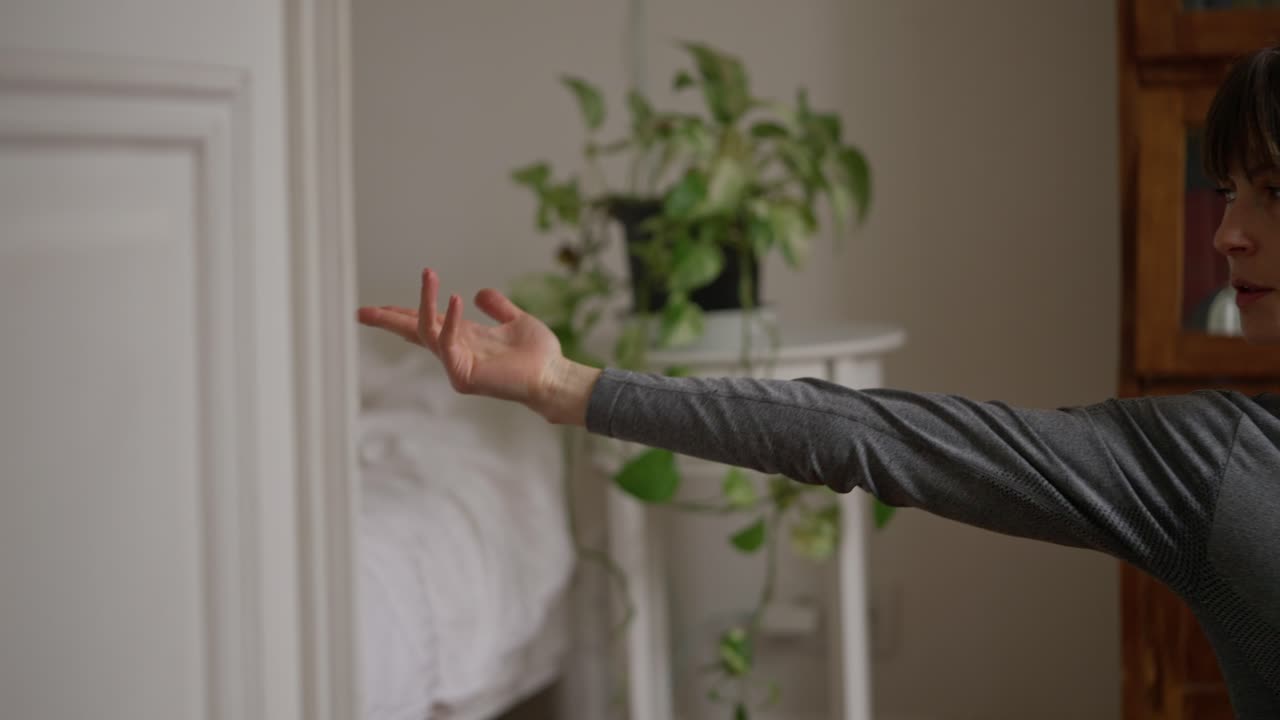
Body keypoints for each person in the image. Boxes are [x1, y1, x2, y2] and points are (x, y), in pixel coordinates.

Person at [357, 47, 1280, 717]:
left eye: (1268, 192)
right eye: (1227, 191)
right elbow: (865, 434)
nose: (1226, 232)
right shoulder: (1209, 468)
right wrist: (568, 386)